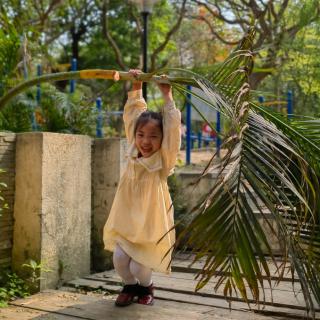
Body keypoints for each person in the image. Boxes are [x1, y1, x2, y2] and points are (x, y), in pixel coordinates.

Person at [103, 69, 181, 307]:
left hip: (149, 222)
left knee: (139, 265)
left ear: (162, 139)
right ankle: (129, 286)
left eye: (153, 137)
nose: (146, 141)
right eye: (141, 135)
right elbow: (133, 115)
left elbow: (173, 131)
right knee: (119, 260)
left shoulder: (163, 160)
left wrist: (167, 95)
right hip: (127, 218)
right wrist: (136, 86)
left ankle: (146, 286)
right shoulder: (131, 150)